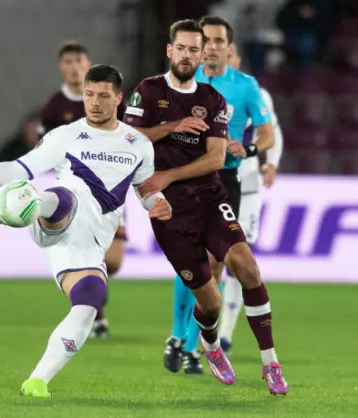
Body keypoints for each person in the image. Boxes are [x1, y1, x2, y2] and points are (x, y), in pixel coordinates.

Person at [0, 65, 172, 398]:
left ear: (119, 98)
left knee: (89, 302)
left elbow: (147, 191)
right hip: (55, 218)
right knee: (60, 198)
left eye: (103, 96)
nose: (94, 102)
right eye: (89, 94)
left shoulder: (139, 145)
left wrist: (158, 204)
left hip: (86, 247)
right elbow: (18, 169)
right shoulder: (66, 135)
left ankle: (38, 380)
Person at [124, 19, 289, 395]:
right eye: (180, 48)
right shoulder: (148, 91)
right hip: (167, 209)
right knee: (209, 302)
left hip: (211, 197)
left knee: (246, 266)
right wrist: (173, 126)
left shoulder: (215, 100)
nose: (187, 55)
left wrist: (170, 173)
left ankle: (270, 363)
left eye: (194, 49)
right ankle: (209, 343)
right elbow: (129, 137)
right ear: (170, 51)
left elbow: (216, 159)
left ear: (204, 54)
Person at [164, 15, 276, 375]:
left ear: (230, 48)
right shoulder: (181, 81)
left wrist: (251, 150)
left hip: (223, 179)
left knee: (215, 266)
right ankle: (179, 337)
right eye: (205, 40)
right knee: (193, 265)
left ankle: (196, 346)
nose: (210, 47)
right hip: (185, 180)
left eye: (217, 41)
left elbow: (267, 134)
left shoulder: (244, 86)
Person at [41, 41, 128, 338]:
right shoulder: (54, 108)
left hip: (111, 190)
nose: (74, 66)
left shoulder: (108, 98)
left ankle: (96, 294)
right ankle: (94, 314)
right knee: (87, 254)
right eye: (68, 61)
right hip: (76, 193)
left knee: (113, 261)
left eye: (79, 60)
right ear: (60, 67)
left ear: (88, 63)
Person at [219, 48, 285, 354]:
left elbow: (273, 132)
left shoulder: (253, 91)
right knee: (212, 260)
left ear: (237, 59)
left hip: (248, 187)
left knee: (239, 262)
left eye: (230, 54)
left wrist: (271, 162)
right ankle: (197, 335)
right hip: (215, 184)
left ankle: (226, 331)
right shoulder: (202, 91)